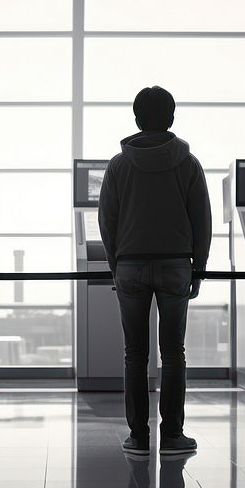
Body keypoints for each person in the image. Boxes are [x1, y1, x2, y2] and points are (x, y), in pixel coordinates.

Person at [98, 85, 212, 457]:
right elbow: (202, 218)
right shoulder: (188, 163)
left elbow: (107, 220)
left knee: (135, 353)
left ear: (136, 119)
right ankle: (174, 436)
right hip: (176, 265)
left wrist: (117, 264)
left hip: (130, 266)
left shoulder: (118, 164)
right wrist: (200, 266)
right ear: (172, 117)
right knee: (173, 352)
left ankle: (138, 437)